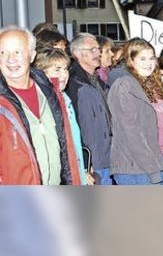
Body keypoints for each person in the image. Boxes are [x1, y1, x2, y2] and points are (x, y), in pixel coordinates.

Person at [0, 26, 80, 185]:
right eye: (2, 52)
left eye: (18, 52)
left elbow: (68, 151)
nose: (11, 59)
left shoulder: (52, 93)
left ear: (32, 56)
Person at [107, 38, 163, 185]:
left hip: (151, 162)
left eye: (151, 58)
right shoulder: (124, 86)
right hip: (133, 168)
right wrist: (152, 169)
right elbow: (131, 133)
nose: (149, 63)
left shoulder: (147, 84)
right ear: (131, 61)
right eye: (142, 58)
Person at [33, 48, 92, 185]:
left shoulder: (65, 98)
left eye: (65, 69)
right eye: (57, 70)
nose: (64, 75)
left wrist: (81, 170)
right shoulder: (45, 103)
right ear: (42, 73)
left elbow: (73, 142)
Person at [67, 33, 113, 185]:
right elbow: (72, 128)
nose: (98, 53)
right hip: (92, 163)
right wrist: (84, 164)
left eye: (98, 49)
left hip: (106, 158)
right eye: (93, 49)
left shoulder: (97, 80)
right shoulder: (73, 84)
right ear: (78, 53)